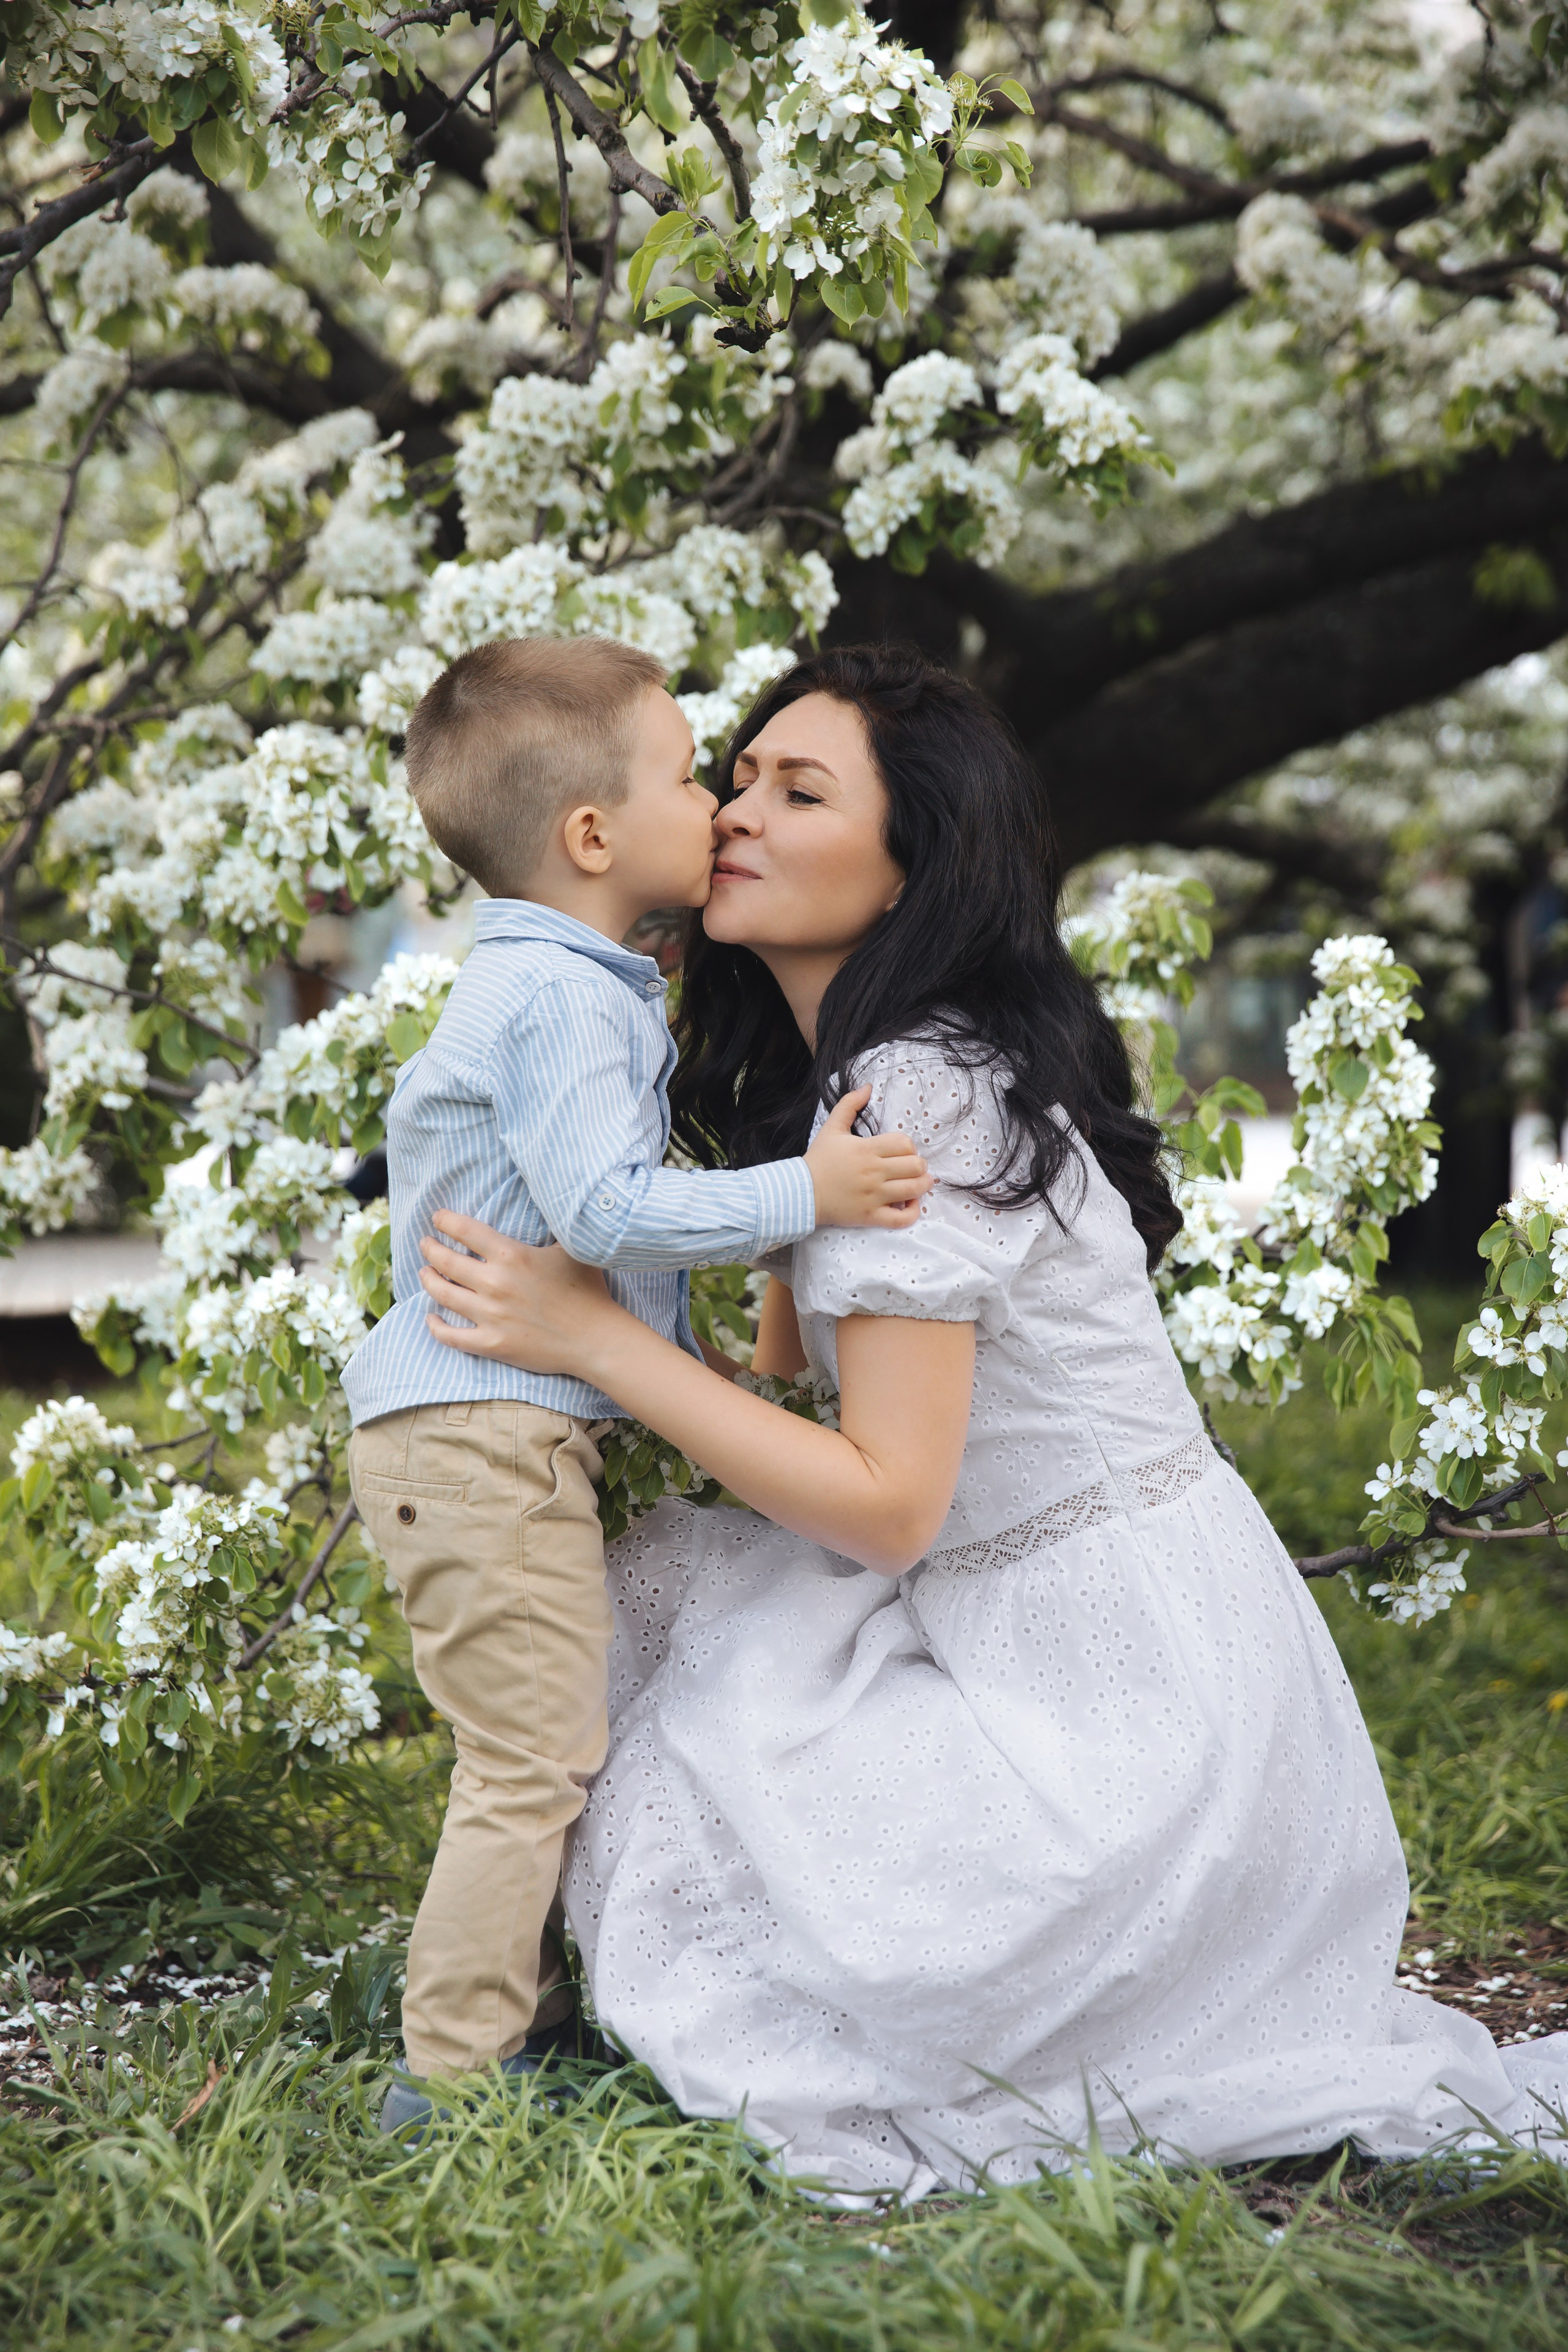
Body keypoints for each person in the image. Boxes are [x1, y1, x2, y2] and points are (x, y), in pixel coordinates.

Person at [413, 644, 1568, 2196]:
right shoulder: (858, 1089)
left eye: (797, 791)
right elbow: (810, 1412)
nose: (737, 812)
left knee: (704, 1711)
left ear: (913, 863)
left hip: (1123, 1713)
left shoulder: (924, 1097)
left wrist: (588, 1338)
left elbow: (888, 1504)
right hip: (1087, 1628)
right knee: (676, 1631)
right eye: (733, 777)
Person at [341, 636, 932, 2136]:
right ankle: (453, 2078)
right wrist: (807, 1196)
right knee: (529, 1757)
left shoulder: (569, 980)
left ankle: (520, 2018)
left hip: (483, 1430)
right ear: (592, 836)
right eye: (688, 777)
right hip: (477, 1434)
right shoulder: (558, 998)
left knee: (539, 1744)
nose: (717, 807)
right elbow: (601, 1214)